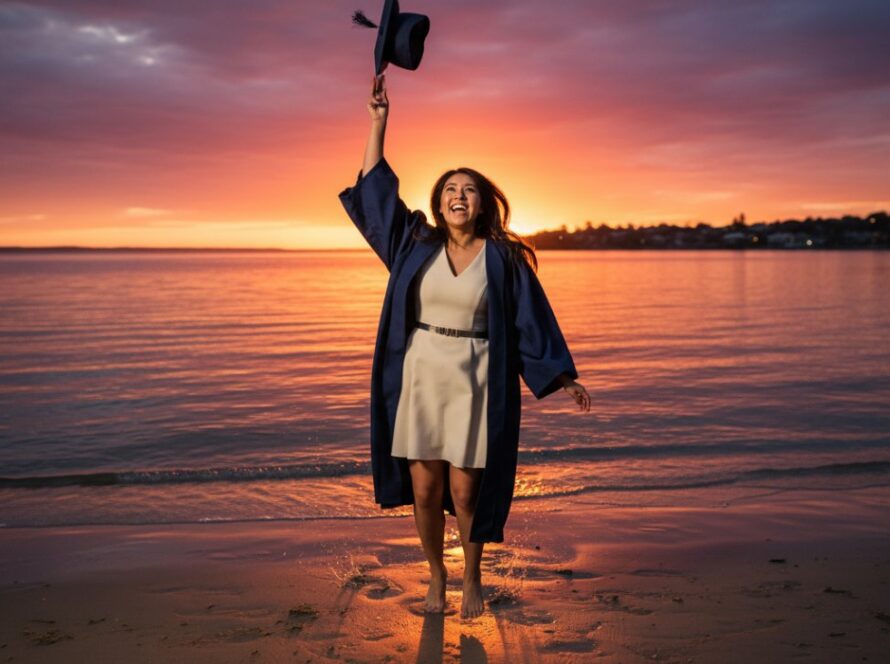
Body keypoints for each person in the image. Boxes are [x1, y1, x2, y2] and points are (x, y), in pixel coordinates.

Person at [339, 74, 591, 619]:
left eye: (468, 189)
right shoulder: (413, 243)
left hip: (476, 378)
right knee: (426, 490)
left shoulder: (503, 259)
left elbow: (531, 322)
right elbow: (376, 196)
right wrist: (378, 123)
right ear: (439, 202)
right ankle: (436, 576)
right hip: (423, 374)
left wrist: (560, 374)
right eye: (450, 189)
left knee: (468, 491)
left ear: (482, 204)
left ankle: (472, 577)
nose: (459, 196)